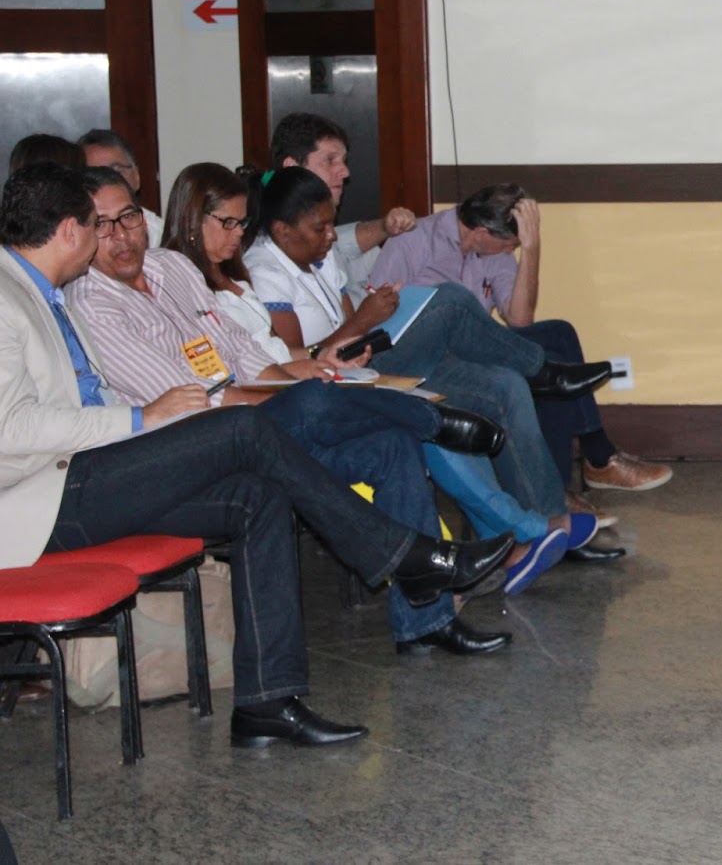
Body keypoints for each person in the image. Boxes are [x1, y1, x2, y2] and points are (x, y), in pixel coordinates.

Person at [0, 161, 512, 746]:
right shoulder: (13, 298)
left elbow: (221, 360)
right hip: (48, 498)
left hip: (98, 467)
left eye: (126, 219)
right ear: (71, 230)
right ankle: (406, 548)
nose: (109, 238)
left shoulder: (49, 292)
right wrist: (140, 417)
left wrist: (298, 370)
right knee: (246, 426)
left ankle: (268, 701)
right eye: (98, 226)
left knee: (258, 497)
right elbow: (11, 430)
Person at [161, 162, 596, 591]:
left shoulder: (260, 274)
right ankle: (525, 521)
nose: (332, 236)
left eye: (242, 223)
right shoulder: (248, 275)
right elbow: (247, 376)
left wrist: (327, 354)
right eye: (230, 223)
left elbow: (275, 356)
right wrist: (343, 339)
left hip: (344, 371)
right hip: (301, 399)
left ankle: (514, 539)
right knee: (446, 316)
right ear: (282, 231)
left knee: (496, 389)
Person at [368, 182, 673, 494]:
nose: (509, 251)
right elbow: (375, 316)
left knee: (559, 335)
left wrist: (531, 248)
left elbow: (520, 319)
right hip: (426, 358)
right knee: (543, 369)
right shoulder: (413, 239)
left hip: (480, 346)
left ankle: (582, 470)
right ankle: (593, 461)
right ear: (481, 232)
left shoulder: (494, 250)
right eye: (509, 244)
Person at [269, 111, 415, 304]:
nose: (345, 172)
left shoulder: (328, 243)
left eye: (344, 161)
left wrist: (386, 227)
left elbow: (342, 242)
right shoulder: (272, 251)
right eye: (330, 160)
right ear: (292, 167)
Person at [79, 127, 163, 241]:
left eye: (117, 172)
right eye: (96, 175)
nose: (108, 181)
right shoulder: (76, 239)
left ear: (136, 176)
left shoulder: (161, 237)